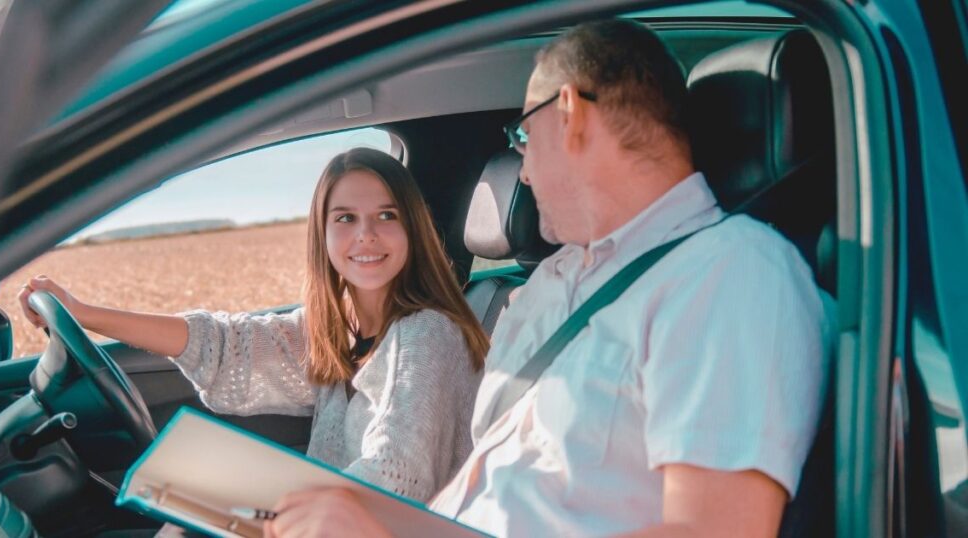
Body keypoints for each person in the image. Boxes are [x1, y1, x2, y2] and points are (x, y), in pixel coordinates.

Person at [262, 19, 833, 538]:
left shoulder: (731, 274)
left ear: (570, 115)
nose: (525, 172)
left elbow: (712, 531)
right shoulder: (549, 286)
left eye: (523, 140)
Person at [18, 148, 490, 503]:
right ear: (322, 235)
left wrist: (264, 506)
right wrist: (85, 314)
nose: (365, 234)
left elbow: (393, 478)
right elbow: (225, 344)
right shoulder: (337, 330)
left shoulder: (428, 334)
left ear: (413, 228)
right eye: (345, 217)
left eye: (386, 216)